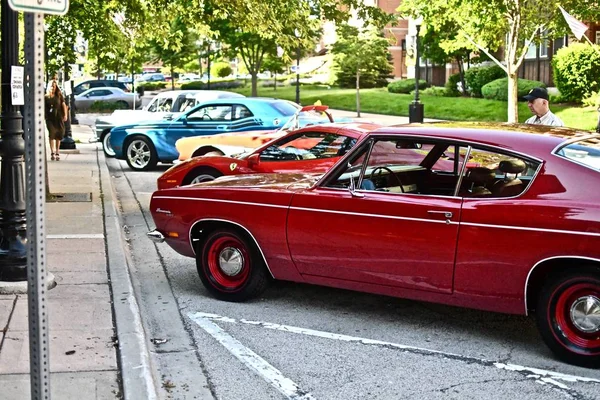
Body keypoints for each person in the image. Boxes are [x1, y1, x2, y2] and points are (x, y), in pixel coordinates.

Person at [45, 81, 68, 161]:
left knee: (59, 134)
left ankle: (57, 151)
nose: (53, 88)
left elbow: (63, 105)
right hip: (50, 118)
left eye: (54, 86)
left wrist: (65, 115)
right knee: (52, 133)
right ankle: (52, 152)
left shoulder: (59, 95)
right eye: (51, 86)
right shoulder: (46, 97)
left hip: (58, 117)